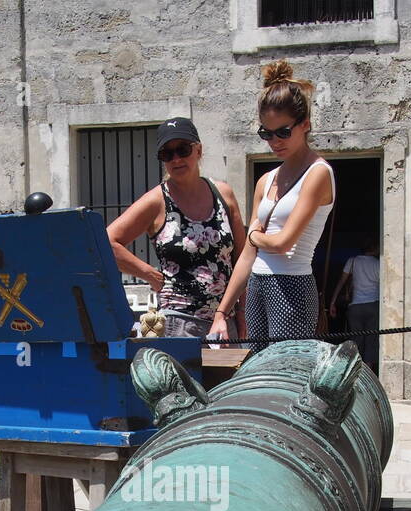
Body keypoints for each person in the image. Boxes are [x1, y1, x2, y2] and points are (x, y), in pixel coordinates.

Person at [209, 61, 335, 352]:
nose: (274, 141)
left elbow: (282, 243)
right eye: (266, 134)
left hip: (292, 286)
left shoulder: (318, 173)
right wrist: (221, 312)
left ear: (305, 125)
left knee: (287, 376)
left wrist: (254, 235)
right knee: (257, 371)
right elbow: (247, 257)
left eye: (283, 132)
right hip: (257, 285)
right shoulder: (266, 180)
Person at [107, 117, 247, 339]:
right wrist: (150, 274)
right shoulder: (156, 201)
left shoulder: (224, 195)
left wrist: (242, 311)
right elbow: (105, 242)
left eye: (182, 150)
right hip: (178, 324)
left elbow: (241, 257)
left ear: (198, 150)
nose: (176, 159)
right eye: (167, 154)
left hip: (223, 324)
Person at [330, 237, 380, 371]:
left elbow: (341, 282)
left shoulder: (352, 261)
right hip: (373, 306)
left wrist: (332, 302)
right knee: (371, 340)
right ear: (374, 248)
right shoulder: (378, 264)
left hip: (355, 307)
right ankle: (369, 373)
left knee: (356, 341)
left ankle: (354, 372)